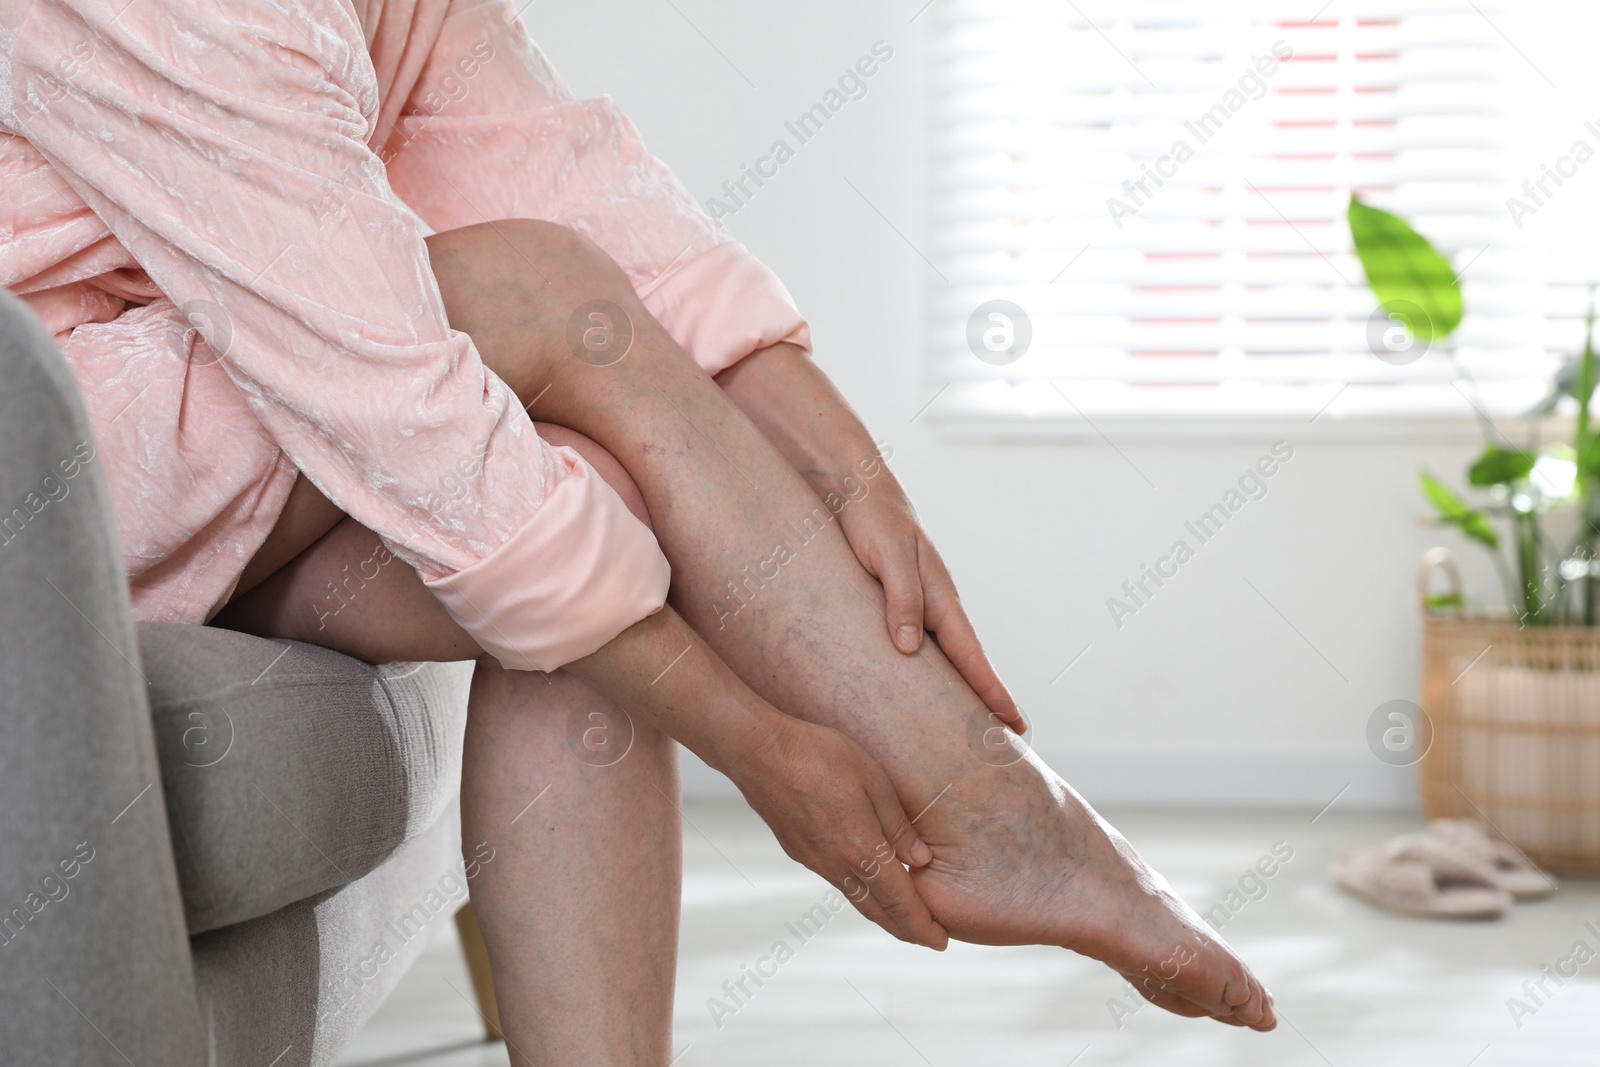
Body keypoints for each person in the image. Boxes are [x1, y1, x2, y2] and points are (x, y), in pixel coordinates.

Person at [1, 0, 1275, 1061]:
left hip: (199, 451)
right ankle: (1001, 807)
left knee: (598, 507)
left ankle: (983, 812)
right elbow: (381, 379)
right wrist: (757, 747)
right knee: (535, 294)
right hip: (47, 479)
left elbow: (555, 165)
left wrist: (843, 454)